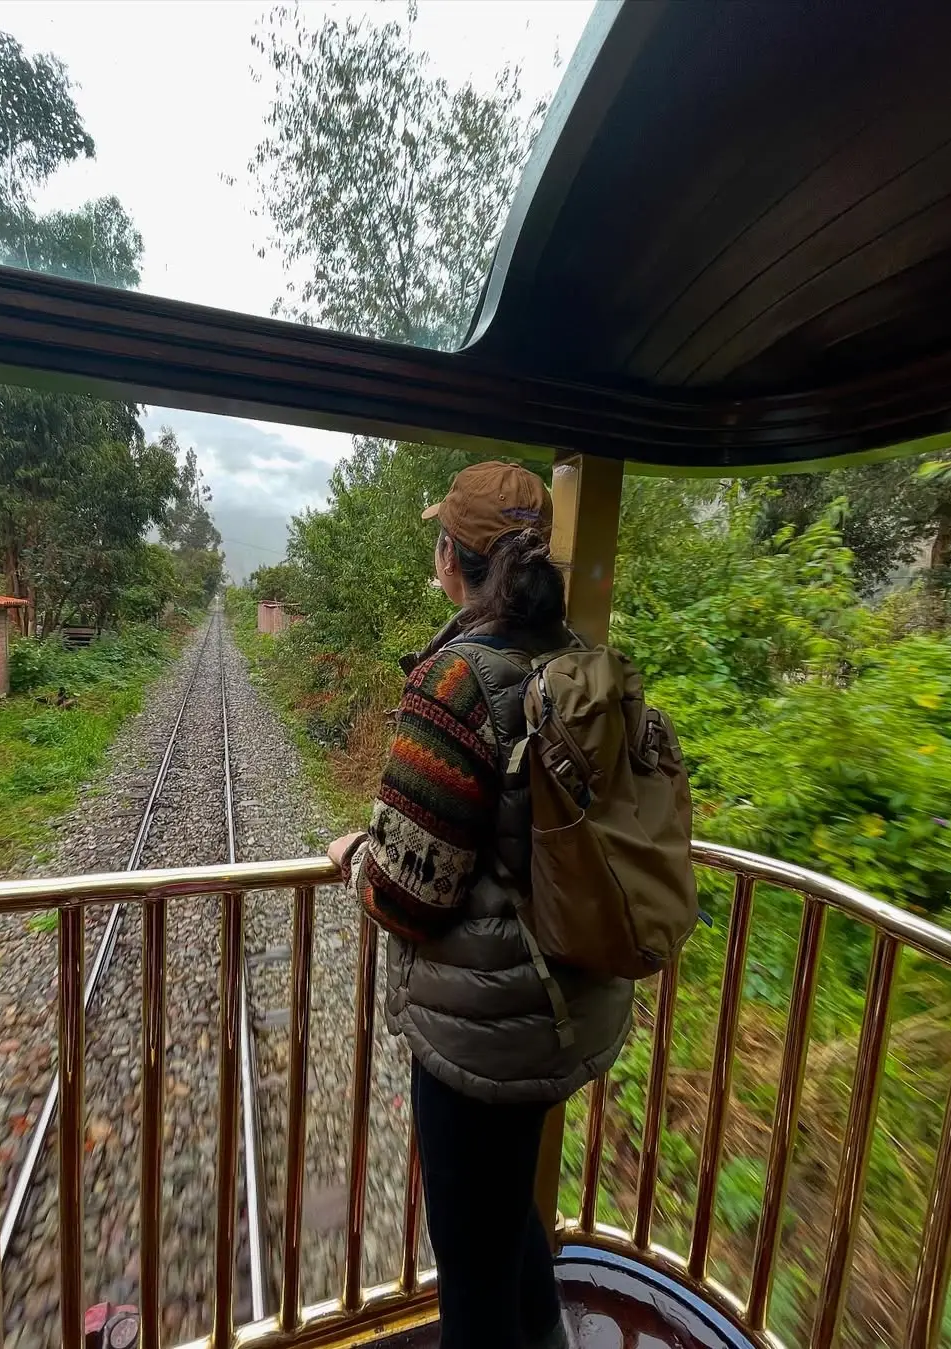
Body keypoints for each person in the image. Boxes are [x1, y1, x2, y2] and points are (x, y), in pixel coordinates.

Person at [329, 461, 634, 1349]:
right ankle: (548, 1335)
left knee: (468, 1263)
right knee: (510, 1212)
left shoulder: (456, 680)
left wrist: (353, 858)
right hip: (569, 1000)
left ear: (450, 559)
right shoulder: (580, 659)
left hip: (478, 1034)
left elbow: (410, 893)